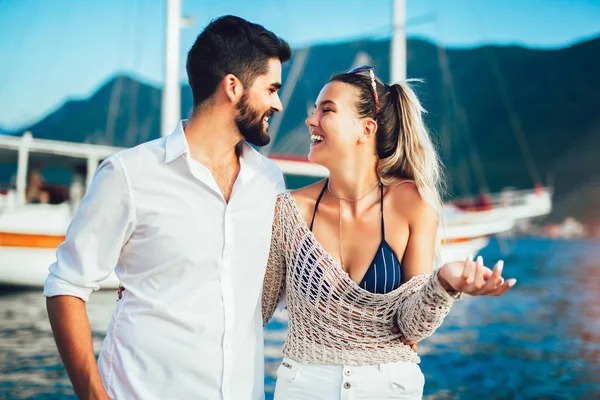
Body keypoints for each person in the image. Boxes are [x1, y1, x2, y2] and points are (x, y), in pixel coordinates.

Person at [44, 16, 291, 400]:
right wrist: (93, 396)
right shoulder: (130, 175)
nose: (277, 103)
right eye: (271, 88)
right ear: (232, 87)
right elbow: (66, 286)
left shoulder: (269, 182)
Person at [262, 66, 516, 399]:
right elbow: (259, 310)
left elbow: (412, 327)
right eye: (314, 112)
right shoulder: (287, 210)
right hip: (304, 387)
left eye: (327, 110)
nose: (311, 121)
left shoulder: (413, 203)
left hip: (389, 387)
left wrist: (446, 281)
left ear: (366, 129)